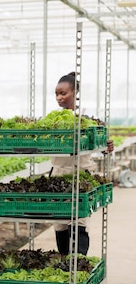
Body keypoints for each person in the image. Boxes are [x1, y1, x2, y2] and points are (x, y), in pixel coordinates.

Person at [51, 72, 113, 255]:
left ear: (75, 92)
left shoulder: (88, 121)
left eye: (63, 93)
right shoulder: (53, 121)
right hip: (58, 176)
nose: (59, 98)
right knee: (60, 224)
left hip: (82, 176)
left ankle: (78, 267)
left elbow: (101, 145)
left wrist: (106, 145)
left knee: (78, 222)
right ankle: (64, 262)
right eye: (56, 94)